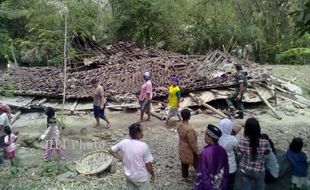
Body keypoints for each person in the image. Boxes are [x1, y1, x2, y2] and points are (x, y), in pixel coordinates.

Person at [109, 123, 155, 190]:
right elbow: (148, 165)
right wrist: (153, 175)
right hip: (141, 178)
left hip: (129, 176)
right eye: (142, 130)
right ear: (138, 133)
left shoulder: (124, 142)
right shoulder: (144, 146)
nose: (143, 132)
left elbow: (111, 150)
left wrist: (122, 158)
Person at [238, 118, 271, 190]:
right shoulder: (265, 142)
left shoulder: (242, 140)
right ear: (258, 128)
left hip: (244, 169)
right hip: (258, 170)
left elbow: (240, 152)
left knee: (245, 188)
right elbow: (268, 152)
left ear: (246, 129)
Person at [195, 124, 229, 190]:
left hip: (208, 185)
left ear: (209, 138)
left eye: (205, 135)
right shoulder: (223, 150)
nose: (204, 137)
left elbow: (204, 173)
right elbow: (226, 169)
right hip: (220, 183)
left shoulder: (205, 152)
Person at [177, 109, 199, 181]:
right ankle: (200, 175)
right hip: (188, 148)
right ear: (189, 117)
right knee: (196, 160)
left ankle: (185, 177)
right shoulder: (189, 129)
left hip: (182, 145)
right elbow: (192, 142)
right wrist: (197, 151)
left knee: (184, 162)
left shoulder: (180, 125)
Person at [218, 118, 238, 190]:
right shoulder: (233, 139)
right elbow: (236, 150)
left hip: (220, 166)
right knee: (230, 184)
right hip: (231, 166)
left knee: (221, 184)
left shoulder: (217, 138)